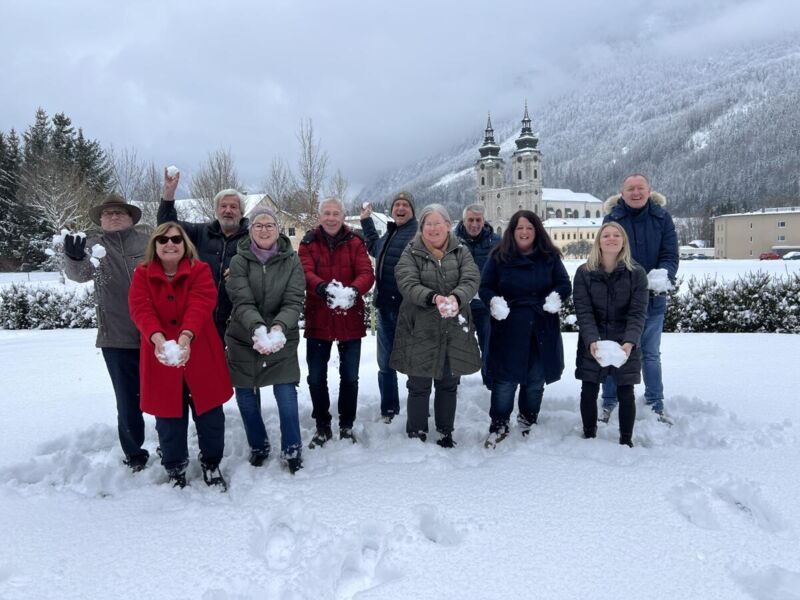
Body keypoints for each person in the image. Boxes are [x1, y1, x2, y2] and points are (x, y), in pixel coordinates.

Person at [129, 222, 233, 489]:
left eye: (176, 239)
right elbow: (140, 308)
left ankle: (211, 463)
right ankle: (175, 467)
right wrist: (157, 338)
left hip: (201, 352)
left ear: (185, 244)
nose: (169, 244)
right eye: (163, 240)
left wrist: (186, 336)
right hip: (161, 355)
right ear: (154, 245)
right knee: (168, 419)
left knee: (210, 415)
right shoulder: (142, 274)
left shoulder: (200, 270)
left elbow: (201, 303)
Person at [63, 193, 151, 472]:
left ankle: (171, 446)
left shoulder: (148, 242)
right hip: (116, 336)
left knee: (165, 395)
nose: (113, 216)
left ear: (130, 218)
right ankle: (135, 454)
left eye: (119, 212)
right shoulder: (93, 246)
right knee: (127, 401)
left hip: (155, 335)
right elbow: (79, 274)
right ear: (100, 220)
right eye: (107, 213)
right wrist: (73, 258)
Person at [391, 204, 482, 447]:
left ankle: (445, 433)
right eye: (428, 224)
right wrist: (434, 298)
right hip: (419, 329)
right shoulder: (411, 252)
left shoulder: (461, 250)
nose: (433, 228)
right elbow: (407, 282)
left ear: (448, 225)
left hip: (453, 329)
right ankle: (416, 434)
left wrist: (457, 298)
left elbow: (471, 278)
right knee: (418, 385)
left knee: (448, 384)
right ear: (421, 228)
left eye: (437, 223)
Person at [478, 210, 571, 446]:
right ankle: (499, 424)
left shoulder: (549, 256)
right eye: (520, 227)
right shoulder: (498, 256)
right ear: (512, 231)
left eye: (529, 227)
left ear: (537, 231)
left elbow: (564, 283)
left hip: (541, 325)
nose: (525, 232)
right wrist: (493, 301)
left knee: (535, 379)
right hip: (508, 326)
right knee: (504, 380)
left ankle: (528, 419)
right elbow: (485, 286)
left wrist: (556, 297)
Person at [225, 208, 306, 473]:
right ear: (250, 231)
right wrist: (258, 329)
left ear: (277, 229)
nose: (264, 230)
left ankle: (292, 449)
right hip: (244, 335)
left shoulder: (292, 260)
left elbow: (294, 300)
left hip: (283, 333)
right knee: (246, 395)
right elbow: (242, 300)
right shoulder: (238, 261)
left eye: (269, 225)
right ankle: (258, 446)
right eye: (258, 225)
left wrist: (279, 327)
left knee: (286, 392)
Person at [601, 174, 679, 423]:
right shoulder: (612, 219)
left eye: (640, 188)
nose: (636, 193)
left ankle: (655, 403)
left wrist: (662, 275)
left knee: (651, 354)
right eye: (630, 189)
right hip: (618, 301)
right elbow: (606, 254)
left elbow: (670, 254)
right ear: (622, 193)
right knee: (614, 351)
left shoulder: (662, 218)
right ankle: (609, 402)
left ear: (649, 190)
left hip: (653, 298)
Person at [299, 197, 375, 447]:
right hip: (319, 317)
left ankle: (346, 424)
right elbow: (304, 271)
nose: (331, 218)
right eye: (327, 213)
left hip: (349, 317)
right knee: (315, 378)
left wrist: (354, 290)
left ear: (343, 217)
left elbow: (366, 273)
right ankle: (322, 426)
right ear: (320, 216)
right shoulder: (308, 242)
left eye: (336, 213)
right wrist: (320, 287)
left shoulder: (355, 241)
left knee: (350, 377)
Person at [573, 222, 649, 447]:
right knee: (588, 389)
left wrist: (630, 342)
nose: (611, 238)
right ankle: (589, 434)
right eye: (606, 235)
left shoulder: (637, 273)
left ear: (623, 241)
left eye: (617, 235)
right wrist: (591, 340)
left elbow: (637, 312)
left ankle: (626, 439)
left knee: (626, 391)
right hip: (592, 339)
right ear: (598, 241)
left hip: (624, 340)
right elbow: (583, 310)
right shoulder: (584, 272)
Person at [159, 170, 249, 339]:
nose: (228, 210)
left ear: (242, 212)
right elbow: (167, 227)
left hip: (239, 322)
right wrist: (169, 194)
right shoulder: (201, 232)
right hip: (203, 320)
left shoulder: (252, 239)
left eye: (233, 207)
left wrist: (245, 271)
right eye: (223, 206)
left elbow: (267, 267)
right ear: (216, 210)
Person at [359, 191, 418, 423]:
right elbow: (375, 247)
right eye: (397, 205)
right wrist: (366, 221)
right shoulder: (391, 233)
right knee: (385, 364)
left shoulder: (417, 234)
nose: (400, 208)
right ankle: (389, 410)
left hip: (409, 312)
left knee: (414, 364)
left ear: (412, 210)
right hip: (384, 308)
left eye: (405, 205)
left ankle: (417, 408)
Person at [454, 203, 500, 386]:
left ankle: (490, 385)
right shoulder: (451, 241)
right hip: (459, 304)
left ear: (484, 220)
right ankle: (453, 386)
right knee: (456, 346)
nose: (474, 224)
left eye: (478, 220)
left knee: (488, 345)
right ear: (463, 220)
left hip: (484, 305)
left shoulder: (496, 242)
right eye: (470, 220)